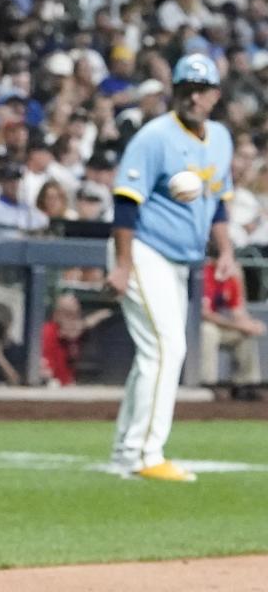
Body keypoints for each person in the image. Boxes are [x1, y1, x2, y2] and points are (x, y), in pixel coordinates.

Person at [106, 54, 236, 483]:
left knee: (155, 353)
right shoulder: (154, 136)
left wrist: (227, 252)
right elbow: (126, 201)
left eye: (201, 89)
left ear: (215, 95)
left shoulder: (220, 138)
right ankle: (144, 454)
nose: (193, 96)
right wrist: (123, 265)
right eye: (185, 88)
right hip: (144, 250)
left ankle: (129, 447)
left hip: (182, 259)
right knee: (167, 349)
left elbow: (219, 202)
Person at [200, 259, 265, 400]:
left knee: (245, 334)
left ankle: (245, 384)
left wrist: (249, 324)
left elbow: (237, 311)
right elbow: (204, 314)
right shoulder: (205, 273)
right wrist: (239, 325)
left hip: (223, 326)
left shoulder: (230, 278)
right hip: (197, 327)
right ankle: (208, 384)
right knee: (208, 331)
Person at [42, 293, 113, 386]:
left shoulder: (76, 333)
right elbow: (73, 330)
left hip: (69, 386)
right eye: (68, 314)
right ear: (56, 315)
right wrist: (93, 319)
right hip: (51, 386)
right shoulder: (48, 331)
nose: (73, 319)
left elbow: (77, 329)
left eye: (76, 314)